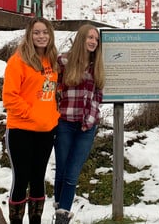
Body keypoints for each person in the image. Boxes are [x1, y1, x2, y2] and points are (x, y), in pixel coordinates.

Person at [2, 17, 59, 224]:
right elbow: (10, 97)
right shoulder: (18, 61)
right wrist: (33, 114)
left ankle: (36, 220)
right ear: (29, 35)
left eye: (45, 32)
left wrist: (54, 115)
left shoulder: (52, 61)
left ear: (50, 35)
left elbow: (53, 91)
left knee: (38, 178)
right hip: (21, 130)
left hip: (46, 130)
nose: (41, 36)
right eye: (36, 32)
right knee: (21, 178)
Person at [54, 24, 105, 224]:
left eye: (96, 39)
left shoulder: (97, 66)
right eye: (89, 37)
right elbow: (53, 91)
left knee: (72, 173)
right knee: (61, 171)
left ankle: (62, 216)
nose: (93, 41)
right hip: (64, 123)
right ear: (81, 38)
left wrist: (90, 120)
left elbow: (97, 97)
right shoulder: (63, 61)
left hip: (86, 128)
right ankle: (59, 209)